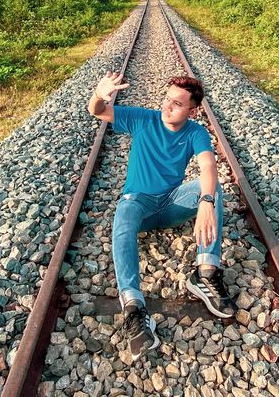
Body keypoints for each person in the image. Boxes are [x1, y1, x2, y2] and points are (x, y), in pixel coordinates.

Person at [87, 71, 237, 361]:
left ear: (192, 110)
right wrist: (99, 94)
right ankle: (133, 304)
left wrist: (206, 201)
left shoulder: (195, 132)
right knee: (124, 210)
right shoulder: (144, 119)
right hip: (138, 206)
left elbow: (207, 167)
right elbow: (98, 111)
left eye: (177, 104)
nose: (167, 106)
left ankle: (205, 273)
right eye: (167, 99)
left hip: (169, 204)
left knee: (213, 190)